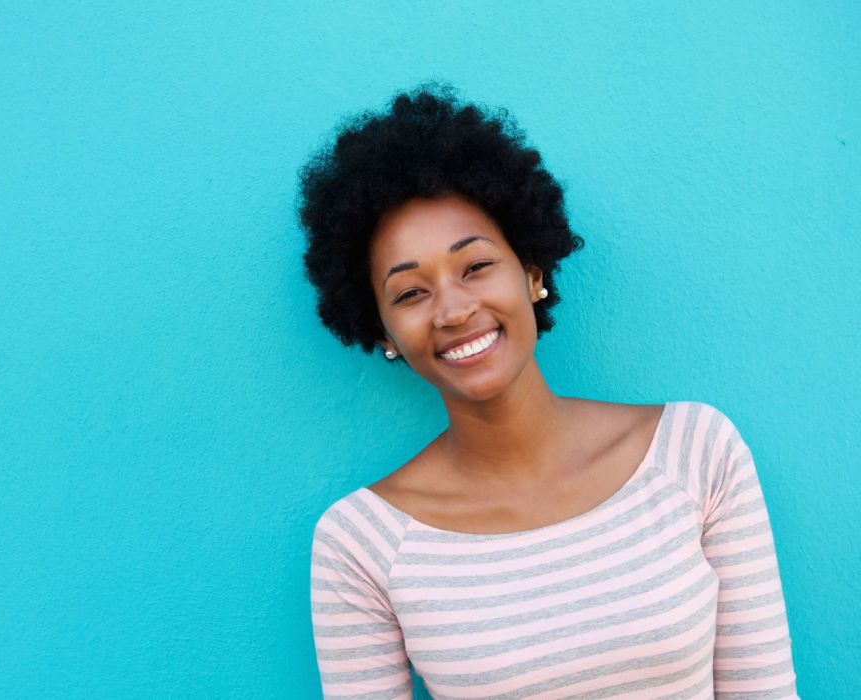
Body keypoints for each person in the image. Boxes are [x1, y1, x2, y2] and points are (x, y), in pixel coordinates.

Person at [300, 86, 796, 699]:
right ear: (384, 333)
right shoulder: (361, 543)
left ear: (532, 273)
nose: (454, 310)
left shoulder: (696, 452)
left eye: (476, 266)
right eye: (409, 293)